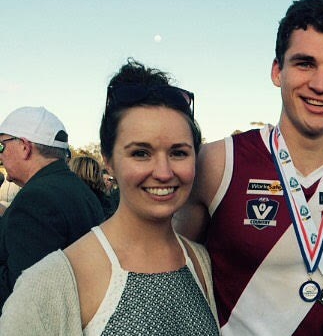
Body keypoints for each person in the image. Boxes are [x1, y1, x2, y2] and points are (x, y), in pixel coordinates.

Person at [174, 0, 323, 335]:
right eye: (304, 63)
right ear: (277, 71)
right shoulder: (217, 163)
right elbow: (169, 275)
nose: (320, 84)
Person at [0, 59, 219, 334]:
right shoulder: (48, 286)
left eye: (178, 152)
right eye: (140, 153)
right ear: (109, 160)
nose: (163, 172)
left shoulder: (202, 263)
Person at [0, 106, 104, 308]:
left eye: (1, 146)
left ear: (24, 146)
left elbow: (22, 292)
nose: (0, 155)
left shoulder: (36, 199)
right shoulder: (77, 189)